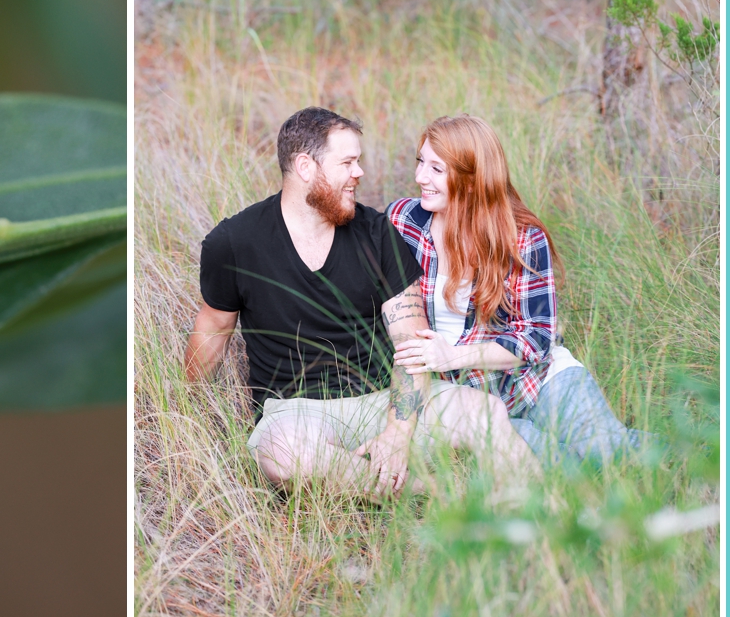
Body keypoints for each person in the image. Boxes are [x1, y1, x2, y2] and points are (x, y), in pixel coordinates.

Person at [184, 107, 540, 500]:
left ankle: (545, 517)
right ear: (306, 166)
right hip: (300, 413)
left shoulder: (376, 233)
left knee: (484, 413)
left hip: (383, 398)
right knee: (283, 453)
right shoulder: (234, 243)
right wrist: (188, 411)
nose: (360, 173)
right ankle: (437, 496)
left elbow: (412, 344)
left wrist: (397, 434)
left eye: (359, 161)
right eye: (348, 162)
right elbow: (212, 331)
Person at [387, 114, 644, 465]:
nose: (420, 177)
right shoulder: (403, 221)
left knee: (612, 452)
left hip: (537, 380)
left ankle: (707, 457)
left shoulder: (520, 238)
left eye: (436, 169)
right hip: (474, 402)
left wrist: (453, 356)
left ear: (473, 180)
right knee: (562, 467)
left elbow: (537, 337)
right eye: (421, 162)